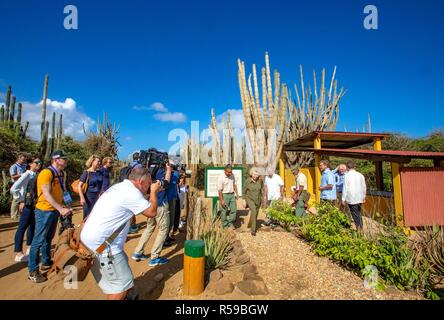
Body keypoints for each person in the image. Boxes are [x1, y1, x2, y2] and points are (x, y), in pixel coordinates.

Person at [80, 166, 161, 300]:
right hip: (104, 248)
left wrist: (150, 192)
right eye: (148, 183)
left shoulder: (119, 187)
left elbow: (136, 200)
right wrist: (153, 192)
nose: (149, 186)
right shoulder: (132, 193)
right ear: (141, 182)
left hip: (91, 241)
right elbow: (151, 212)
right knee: (120, 287)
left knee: (121, 277)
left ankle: (128, 295)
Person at [28, 150, 72, 283]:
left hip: (55, 210)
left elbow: (64, 190)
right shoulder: (46, 173)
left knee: (49, 237)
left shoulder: (62, 173)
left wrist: (68, 205)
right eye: (63, 159)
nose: (66, 161)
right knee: (38, 240)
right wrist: (60, 208)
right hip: (44, 211)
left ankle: (46, 261)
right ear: (55, 160)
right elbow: (46, 194)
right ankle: (33, 270)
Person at [132, 162, 172, 266]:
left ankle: (138, 252)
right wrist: (168, 170)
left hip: (150, 204)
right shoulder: (161, 172)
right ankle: (155, 256)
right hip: (161, 204)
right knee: (163, 229)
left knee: (149, 227)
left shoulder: (147, 172)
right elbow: (166, 182)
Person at [10, 157, 42, 262]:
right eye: (36, 162)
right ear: (30, 164)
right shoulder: (26, 174)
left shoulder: (36, 175)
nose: (39, 164)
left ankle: (29, 248)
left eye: (40, 162)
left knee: (32, 226)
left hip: (34, 205)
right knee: (22, 228)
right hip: (27, 205)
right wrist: (20, 200)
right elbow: (14, 188)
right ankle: (19, 254)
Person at [342, 161, 366, 230]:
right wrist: (364, 196)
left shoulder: (347, 175)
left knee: (354, 214)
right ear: (354, 167)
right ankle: (360, 227)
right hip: (360, 197)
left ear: (347, 167)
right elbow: (364, 186)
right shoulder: (360, 175)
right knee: (358, 212)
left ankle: (359, 228)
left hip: (351, 198)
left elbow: (345, 187)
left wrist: (343, 199)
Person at [78, 155, 103, 220]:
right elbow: (79, 186)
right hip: (88, 198)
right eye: (98, 161)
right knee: (87, 217)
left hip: (98, 197)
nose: (99, 163)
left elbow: (100, 184)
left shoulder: (99, 172)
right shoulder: (86, 173)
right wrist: (82, 198)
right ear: (92, 162)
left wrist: (101, 193)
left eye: (100, 161)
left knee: (96, 216)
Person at [243, 167, 264, 236]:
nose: (256, 176)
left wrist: (263, 199)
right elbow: (244, 191)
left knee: (255, 213)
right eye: (254, 174)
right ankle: (253, 230)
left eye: (257, 175)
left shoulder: (260, 181)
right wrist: (244, 200)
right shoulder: (247, 181)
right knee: (254, 211)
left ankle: (250, 224)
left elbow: (262, 190)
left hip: (258, 200)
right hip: (250, 198)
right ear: (251, 174)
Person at [217, 165, 239, 229]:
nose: (230, 173)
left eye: (231, 172)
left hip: (232, 195)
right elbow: (219, 190)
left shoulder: (232, 175)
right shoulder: (221, 178)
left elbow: (234, 184)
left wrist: (237, 193)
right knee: (224, 210)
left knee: (234, 210)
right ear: (225, 171)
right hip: (224, 195)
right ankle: (225, 225)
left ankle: (230, 223)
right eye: (228, 172)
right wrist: (222, 200)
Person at [9, 154, 28, 220]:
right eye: (22, 160)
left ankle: (20, 214)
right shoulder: (14, 166)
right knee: (16, 200)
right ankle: (13, 215)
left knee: (22, 200)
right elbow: (12, 176)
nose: (23, 161)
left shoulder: (25, 166)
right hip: (16, 185)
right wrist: (22, 175)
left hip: (23, 185)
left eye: (24, 160)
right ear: (18, 159)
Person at [165, 166, 180, 247]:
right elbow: (176, 180)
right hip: (171, 198)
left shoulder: (166, 173)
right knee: (170, 219)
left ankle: (167, 237)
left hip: (167, 198)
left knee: (169, 220)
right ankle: (165, 239)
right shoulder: (175, 174)